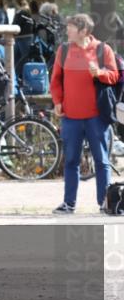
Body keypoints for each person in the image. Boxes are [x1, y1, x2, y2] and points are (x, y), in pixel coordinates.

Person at [51, 13, 120, 214]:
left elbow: (115, 76)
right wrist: (57, 101)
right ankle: (69, 204)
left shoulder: (102, 50)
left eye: (71, 27)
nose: (67, 30)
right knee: (71, 161)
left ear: (84, 31)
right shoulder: (63, 51)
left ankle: (104, 203)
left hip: (97, 117)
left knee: (102, 161)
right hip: (71, 117)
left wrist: (100, 73)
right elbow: (55, 80)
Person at [11, 0, 35, 77]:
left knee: (23, 59)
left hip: (23, 37)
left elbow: (16, 24)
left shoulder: (21, 11)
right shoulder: (26, 9)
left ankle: (24, 77)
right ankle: (18, 77)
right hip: (24, 37)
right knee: (18, 59)